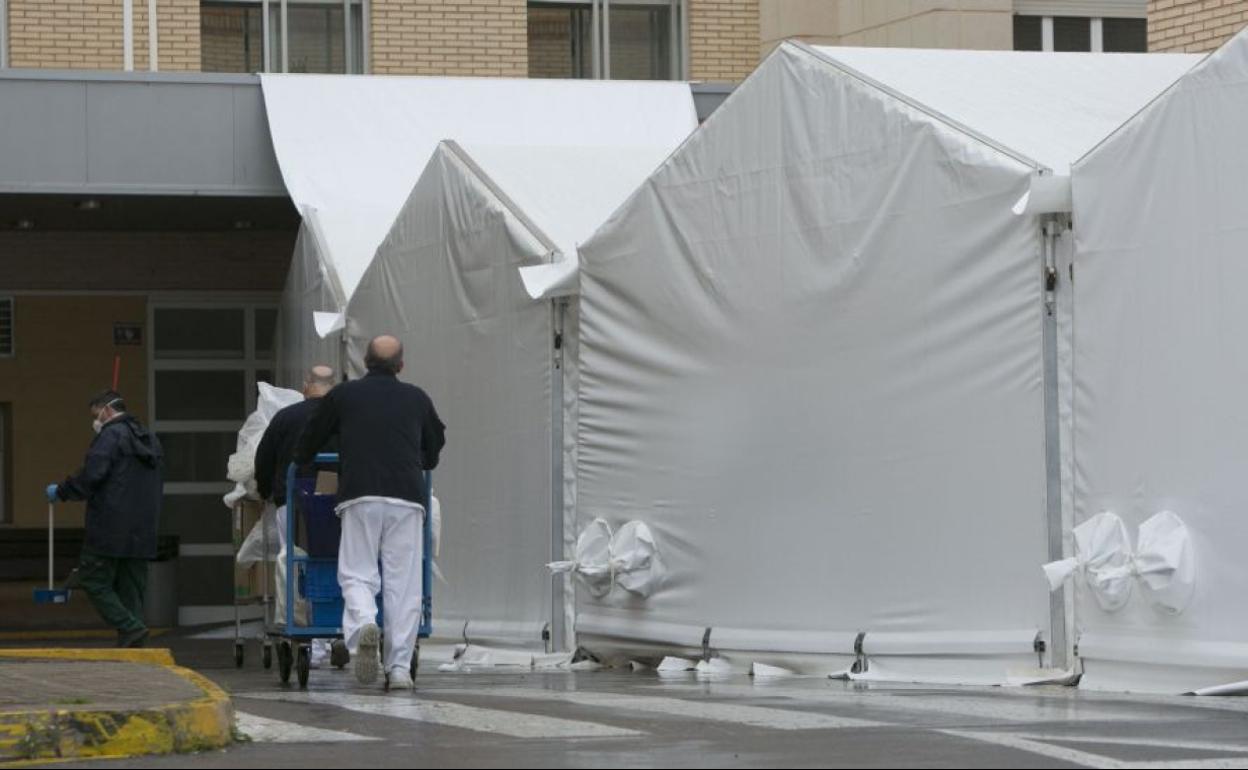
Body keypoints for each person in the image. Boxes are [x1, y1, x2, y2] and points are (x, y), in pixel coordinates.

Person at [295, 335, 445, 690]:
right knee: (404, 584)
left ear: (365, 362)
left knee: (357, 573)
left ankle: (363, 624)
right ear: (401, 366)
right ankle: (398, 670)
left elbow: (312, 435)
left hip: (359, 493)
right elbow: (435, 444)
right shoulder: (416, 397)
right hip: (407, 496)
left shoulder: (344, 395)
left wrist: (303, 460)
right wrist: (420, 461)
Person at [47, 390, 163, 648]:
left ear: (107, 410)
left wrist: (62, 491)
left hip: (109, 527)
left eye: (95, 415)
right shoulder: (151, 439)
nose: (95, 421)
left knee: (93, 579)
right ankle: (134, 646)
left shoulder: (110, 436)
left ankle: (131, 628)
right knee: (131, 589)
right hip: (143, 529)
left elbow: (92, 475)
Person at [253, 364, 344, 668]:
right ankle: (336, 633)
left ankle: (304, 633)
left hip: (292, 502)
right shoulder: (345, 419)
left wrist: (267, 491)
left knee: (295, 563)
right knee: (341, 563)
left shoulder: (285, 418)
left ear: (306, 386)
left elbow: (263, 459)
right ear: (335, 387)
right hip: (339, 503)